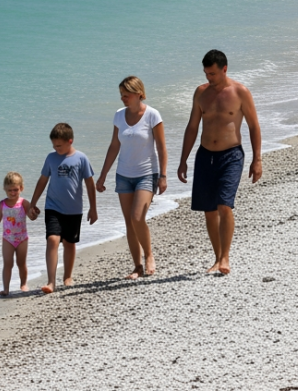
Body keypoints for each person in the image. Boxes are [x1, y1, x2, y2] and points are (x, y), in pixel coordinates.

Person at [178, 50, 262, 275]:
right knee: (209, 210)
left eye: (213, 74)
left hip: (231, 154)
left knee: (224, 205)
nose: (209, 78)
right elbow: (192, 127)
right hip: (205, 155)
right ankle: (217, 258)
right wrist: (183, 160)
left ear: (225, 69)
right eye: (206, 74)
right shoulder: (201, 93)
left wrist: (257, 159)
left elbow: (254, 126)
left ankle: (225, 257)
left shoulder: (240, 92)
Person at [96, 76, 168, 280]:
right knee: (129, 222)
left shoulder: (152, 115)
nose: (122, 99)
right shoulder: (119, 116)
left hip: (147, 173)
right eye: (121, 95)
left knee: (137, 217)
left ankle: (149, 256)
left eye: (126, 95)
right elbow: (114, 146)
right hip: (123, 176)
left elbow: (162, 148)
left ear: (138, 94)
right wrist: (102, 176)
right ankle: (137, 267)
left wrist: (163, 176)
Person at [28, 123, 98, 293]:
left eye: (59, 145)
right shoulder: (51, 158)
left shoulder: (81, 158)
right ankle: (51, 281)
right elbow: (43, 181)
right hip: (53, 207)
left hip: (74, 209)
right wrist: (33, 203)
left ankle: (67, 276)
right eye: (54, 145)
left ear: (70, 141)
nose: (56, 148)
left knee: (69, 243)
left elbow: (89, 184)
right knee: (52, 239)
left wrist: (93, 208)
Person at [0, 171, 35, 297]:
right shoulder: (2, 204)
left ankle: (23, 284)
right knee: (8, 264)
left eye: (15, 190)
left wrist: (35, 213)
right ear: (5, 189)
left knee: (21, 263)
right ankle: (6, 288)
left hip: (22, 238)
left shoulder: (24, 203)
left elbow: (31, 217)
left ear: (21, 188)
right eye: (9, 190)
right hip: (8, 239)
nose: (12, 193)